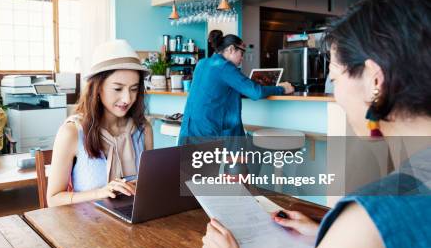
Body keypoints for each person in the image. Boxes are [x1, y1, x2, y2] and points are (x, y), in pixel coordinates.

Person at [201, 0, 431, 248]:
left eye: (334, 78)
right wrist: (327, 236)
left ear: (375, 81)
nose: (336, 96)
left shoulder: (376, 215)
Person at [46, 39, 154, 207]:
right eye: (118, 89)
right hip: (88, 228)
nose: (127, 99)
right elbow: (53, 199)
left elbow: (149, 183)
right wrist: (100, 192)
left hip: (136, 223)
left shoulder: (143, 129)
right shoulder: (71, 132)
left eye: (133, 89)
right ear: (97, 88)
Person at [179, 32, 294, 144]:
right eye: (242, 53)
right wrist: (282, 88)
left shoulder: (202, 63)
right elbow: (256, 92)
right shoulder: (224, 66)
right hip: (208, 132)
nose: (243, 58)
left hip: (188, 129)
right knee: (247, 155)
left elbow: (217, 89)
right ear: (231, 49)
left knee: (192, 162)